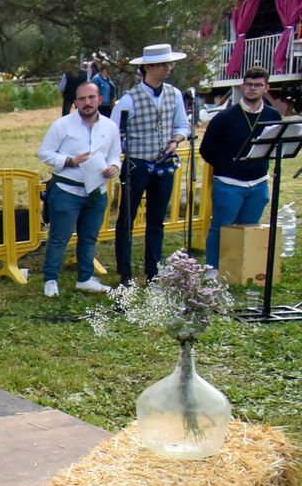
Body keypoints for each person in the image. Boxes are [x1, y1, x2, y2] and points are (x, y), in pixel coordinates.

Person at [113, 43, 191, 283]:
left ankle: (153, 270)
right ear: (148, 67)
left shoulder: (174, 93)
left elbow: (182, 125)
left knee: (157, 219)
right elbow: (114, 132)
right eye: (163, 64)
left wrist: (176, 141)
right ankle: (125, 272)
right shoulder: (129, 99)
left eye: (169, 63)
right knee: (127, 218)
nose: (168, 68)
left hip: (163, 163)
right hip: (137, 164)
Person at [38, 82, 122, 296]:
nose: (87, 103)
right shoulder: (62, 125)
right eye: (82, 99)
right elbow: (45, 153)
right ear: (75, 102)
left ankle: (85, 278)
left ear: (100, 99)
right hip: (67, 189)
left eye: (91, 98)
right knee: (59, 237)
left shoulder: (110, 126)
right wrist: (69, 161)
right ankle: (51, 280)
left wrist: (114, 166)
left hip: (97, 190)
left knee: (89, 236)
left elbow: (114, 154)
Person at [201, 67, 282, 269]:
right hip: (229, 183)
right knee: (221, 228)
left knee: (249, 228)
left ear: (266, 88)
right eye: (249, 84)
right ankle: (213, 269)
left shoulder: (273, 115)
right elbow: (206, 150)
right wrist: (226, 166)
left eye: (257, 85)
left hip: (258, 182)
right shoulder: (224, 117)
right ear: (242, 86)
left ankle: (239, 270)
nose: (252, 89)